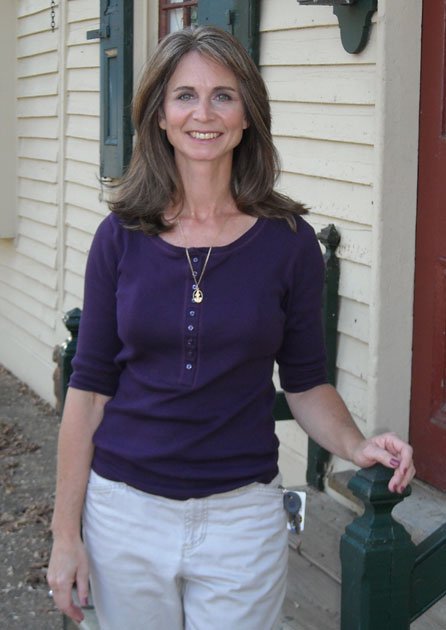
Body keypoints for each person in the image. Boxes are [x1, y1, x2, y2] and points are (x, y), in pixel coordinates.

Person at [47, 25, 415, 630]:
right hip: (125, 515)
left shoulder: (289, 244)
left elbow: (306, 383)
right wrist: (66, 535)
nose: (204, 113)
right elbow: (88, 393)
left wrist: (356, 445)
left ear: (247, 116)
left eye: (223, 95)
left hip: (242, 519)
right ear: (160, 116)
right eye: (184, 96)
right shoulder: (120, 237)